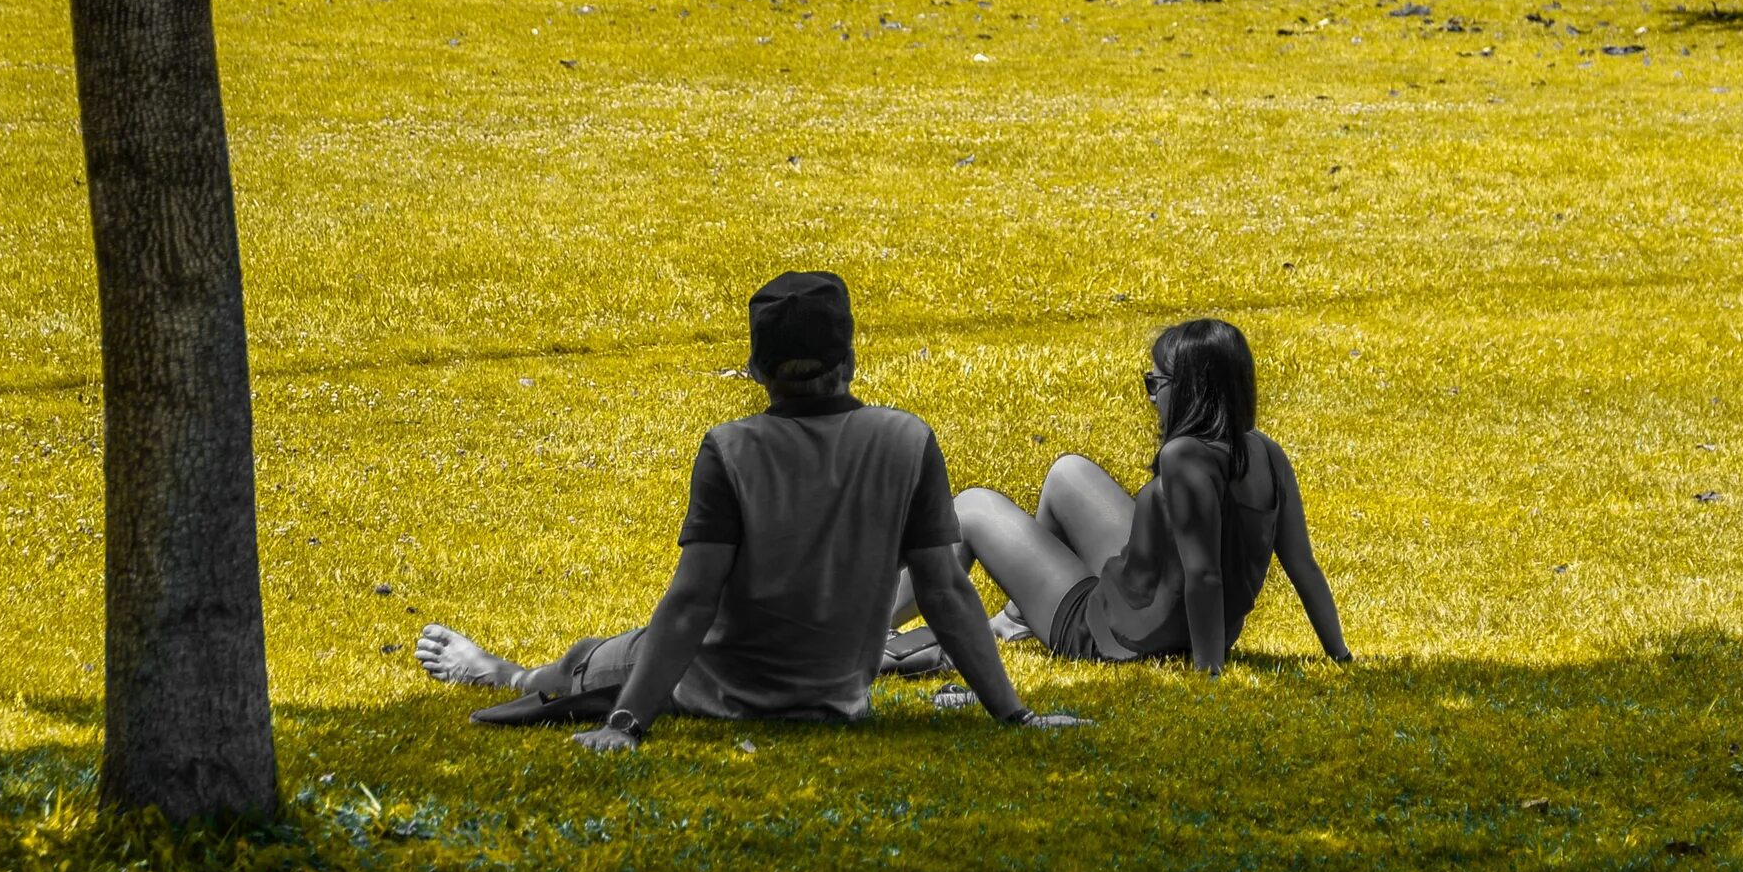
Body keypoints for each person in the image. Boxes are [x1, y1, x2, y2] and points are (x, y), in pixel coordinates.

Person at [416, 271, 1085, 749]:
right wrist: (1014, 716)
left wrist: (626, 726)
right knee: (614, 658)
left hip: (719, 690)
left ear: (756, 369)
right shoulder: (905, 441)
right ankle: (530, 677)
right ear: (850, 358)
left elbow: (691, 602)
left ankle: (503, 674)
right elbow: (945, 592)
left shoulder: (733, 448)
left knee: (586, 662)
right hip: (834, 700)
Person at [916, 318, 1352, 676]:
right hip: (1168, 613)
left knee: (970, 508)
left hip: (1110, 633)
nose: (1150, 396)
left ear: (1188, 391)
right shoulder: (1267, 454)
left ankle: (869, 627)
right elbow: (1304, 567)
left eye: (1155, 382)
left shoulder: (1184, 457)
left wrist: (1209, 673)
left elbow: (1205, 575)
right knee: (1068, 473)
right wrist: (1340, 655)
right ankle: (1018, 618)